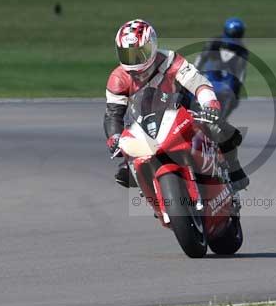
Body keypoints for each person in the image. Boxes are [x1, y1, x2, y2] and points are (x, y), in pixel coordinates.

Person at [104, 19, 250, 190]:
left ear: (152, 46)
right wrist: (114, 137)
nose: (133, 60)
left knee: (218, 128)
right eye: (127, 54)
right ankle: (138, 174)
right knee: (127, 150)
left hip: (182, 109)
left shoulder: (170, 60)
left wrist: (209, 104)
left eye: (139, 53)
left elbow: (198, 83)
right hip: (143, 121)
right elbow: (113, 114)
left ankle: (234, 170)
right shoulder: (118, 78)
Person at [193, 18, 248, 118]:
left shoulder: (242, 50)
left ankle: (221, 120)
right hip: (210, 75)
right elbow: (201, 58)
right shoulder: (214, 42)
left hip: (227, 81)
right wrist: (195, 72)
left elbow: (241, 72)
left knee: (232, 100)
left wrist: (237, 87)